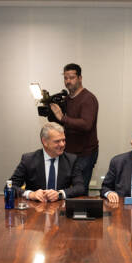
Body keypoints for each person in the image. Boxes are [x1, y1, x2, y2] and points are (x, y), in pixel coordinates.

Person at [49, 63, 98, 194]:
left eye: (71, 77)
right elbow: (62, 124)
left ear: (80, 78)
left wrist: (62, 118)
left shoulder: (88, 99)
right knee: (67, 191)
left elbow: (86, 125)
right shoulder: (67, 99)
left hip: (85, 154)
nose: (68, 81)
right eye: (65, 78)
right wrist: (52, 112)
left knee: (79, 191)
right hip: (68, 153)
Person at [10, 122, 86, 202]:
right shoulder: (29, 160)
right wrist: (30, 194)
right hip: (35, 210)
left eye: (63, 140)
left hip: (60, 208)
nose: (62, 144)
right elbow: (10, 186)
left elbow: (80, 187)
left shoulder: (71, 160)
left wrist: (60, 194)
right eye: (57, 141)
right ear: (45, 142)